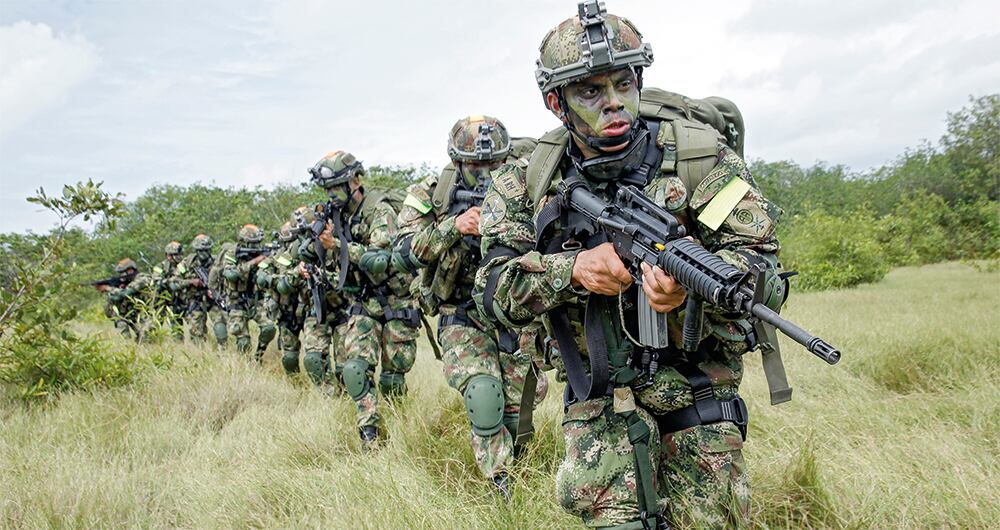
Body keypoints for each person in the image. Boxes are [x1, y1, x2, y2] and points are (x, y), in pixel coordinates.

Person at [474, 2, 784, 527]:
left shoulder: (700, 161)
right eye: (591, 92)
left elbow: (766, 279)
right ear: (556, 102)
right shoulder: (525, 180)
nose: (614, 104)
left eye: (624, 83)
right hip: (598, 394)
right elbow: (492, 291)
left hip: (697, 387)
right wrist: (569, 272)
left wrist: (691, 290)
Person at [392, 115, 547, 496]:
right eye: (476, 166)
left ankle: (518, 466)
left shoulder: (525, 184)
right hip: (460, 313)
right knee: (483, 395)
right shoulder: (432, 193)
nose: (485, 173)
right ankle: (501, 483)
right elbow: (402, 253)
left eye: (494, 164)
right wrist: (455, 227)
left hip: (514, 315)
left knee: (518, 411)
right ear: (457, 162)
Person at [308, 150, 420, 448]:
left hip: (397, 302)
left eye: (335, 188)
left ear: (354, 182)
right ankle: (369, 434)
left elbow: (381, 259)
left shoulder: (378, 211)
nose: (331, 195)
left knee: (392, 380)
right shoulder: (338, 216)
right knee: (355, 368)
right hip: (364, 301)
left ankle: (403, 430)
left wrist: (339, 245)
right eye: (327, 190)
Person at [214, 224, 277, 360]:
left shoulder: (263, 253)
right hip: (236, 300)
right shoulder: (232, 253)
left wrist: (267, 261)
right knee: (243, 341)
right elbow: (230, 274)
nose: (256, 246)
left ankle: (258, 356)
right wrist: (254, 262)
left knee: (269, 328)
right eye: (254, 243)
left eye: (258, 243)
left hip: (256, 299)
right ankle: (245, 364)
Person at [170, 234, 229, 348]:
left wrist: (216, 290)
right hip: (195, 300)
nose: (204, 253)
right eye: (201, 250)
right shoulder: (187, 263)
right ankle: (200, 355)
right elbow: (173, 283)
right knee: (196, 331)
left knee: (220, 325)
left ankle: (224, 351)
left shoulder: (217, 262)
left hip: (213, 299)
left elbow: (226, 280)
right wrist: (191, 282)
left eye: (207, 250)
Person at [99, 258, 154, 342]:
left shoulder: (142, 278)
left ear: (130, 270)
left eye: (123, 272)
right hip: (128, 314)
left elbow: (126, 293)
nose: (121, 276)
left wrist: (108, 288)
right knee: (125, 338)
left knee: (147, 338)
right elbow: (115, 299)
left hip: (143, 314)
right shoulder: (125, 282)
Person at [152, 240, 186, 339]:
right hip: (162, 301)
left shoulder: (183, 265)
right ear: (168, 255)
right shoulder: (161, 266)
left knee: (177, 328)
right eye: (176, 254)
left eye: (180, 254)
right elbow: (156, 282)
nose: (179, 257)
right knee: (155, 326)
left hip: (179, 300)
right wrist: (168, 281)